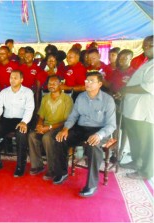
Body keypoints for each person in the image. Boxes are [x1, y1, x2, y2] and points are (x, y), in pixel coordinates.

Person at [54, 71, 116, 197]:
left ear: (99, 84)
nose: (87, 83)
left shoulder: (108, 100)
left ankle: (91, 185)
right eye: (86, 81)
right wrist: (65, 129)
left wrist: (99, 135)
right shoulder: (80, 97)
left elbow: (111, 125)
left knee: (93, 146)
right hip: (81, 129)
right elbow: (73, 116)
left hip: (99, 130)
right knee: (60, 139)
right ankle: (62, 172)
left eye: (91, 81)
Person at [0, 70, 34, 177]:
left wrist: (24, 122)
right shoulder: (4, 92)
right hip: (6, 120)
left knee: (21, 134)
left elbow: (30, 109)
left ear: (22, 80)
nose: (12, 80)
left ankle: (20, 166)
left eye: (15, 78)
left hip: (22, 120)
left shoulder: (28, 92)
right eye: (11, 77)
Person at [121, 35, 153, 180]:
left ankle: (146, 171)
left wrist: (126, 89)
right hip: (133, 110)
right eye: (144, 45)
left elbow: (148, 87)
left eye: (149, 45)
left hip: (144, 111)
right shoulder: (148, 63)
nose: (145, 48)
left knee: (146, 142)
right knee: (135, 139)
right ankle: (136, 162)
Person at [28, 75, 73, 180]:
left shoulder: (67, 99)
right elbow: (41, 116)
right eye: (49, 83)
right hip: (46, 126)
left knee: (47, 138)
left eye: (54, 83)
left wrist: (49, 127)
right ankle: (37, 165)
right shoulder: (45, 98)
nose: (51, 86)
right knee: (32, 135)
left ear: (60, 85)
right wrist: (39, 124)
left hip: (60, 127)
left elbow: (67, 120)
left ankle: (52, 169)